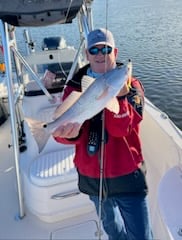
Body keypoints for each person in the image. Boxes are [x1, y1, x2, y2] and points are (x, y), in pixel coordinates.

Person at [53, 28, 153, 240]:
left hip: (127, 177)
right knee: (112, 229)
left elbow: (120, 129)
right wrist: (68, 133)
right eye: (94, 50)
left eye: (106, 49)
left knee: (142, 236)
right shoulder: (73, 89)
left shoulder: (133, 87)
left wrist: (122, 98)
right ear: (87, 55)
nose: (100, 54)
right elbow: (61, 136)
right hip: (92, 179)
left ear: (114, 52)